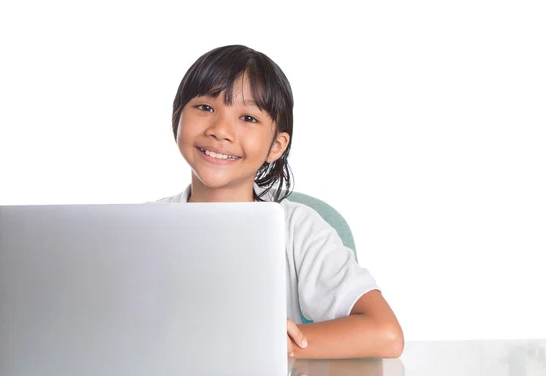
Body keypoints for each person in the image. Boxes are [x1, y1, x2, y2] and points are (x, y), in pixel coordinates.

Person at [157, 44, 404, 359]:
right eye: (205, 107)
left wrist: (272, 344)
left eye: (247, 117)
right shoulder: (140, 229)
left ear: (276, 145)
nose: (220, 130)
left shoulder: (298, 229)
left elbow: (385, 333)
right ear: (177, 117)